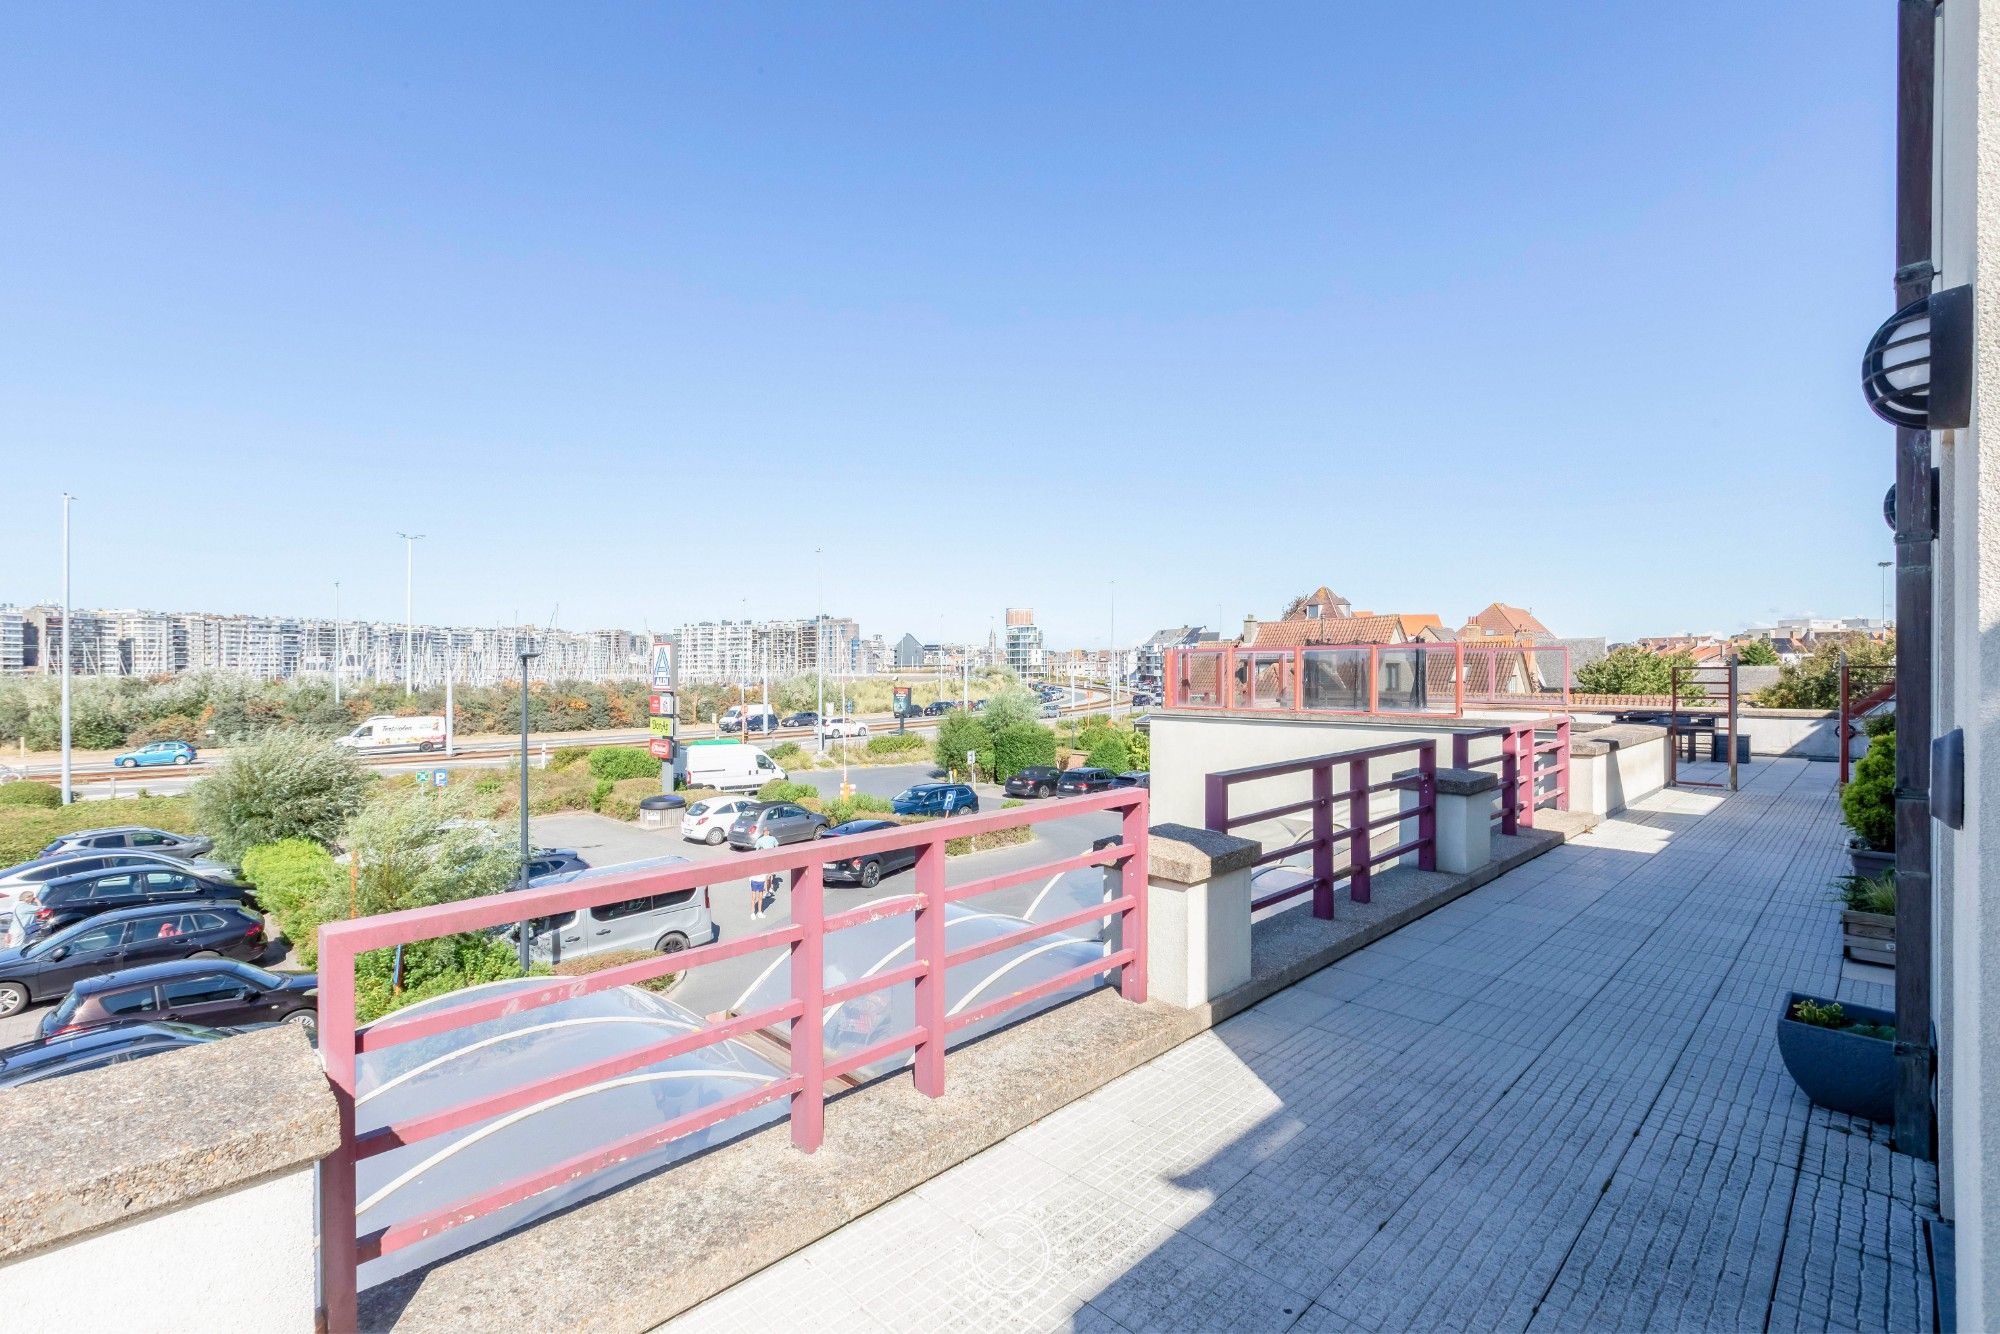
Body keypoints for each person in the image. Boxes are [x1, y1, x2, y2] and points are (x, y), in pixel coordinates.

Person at [750, 832, 782, 919]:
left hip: (760, 881)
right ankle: (752, 912)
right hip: (754, 880)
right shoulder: (755, 861)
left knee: (760, 898)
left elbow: (766, 874)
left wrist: (765, 881)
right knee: (753, 898)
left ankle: (760, 912)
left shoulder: (764, 862)